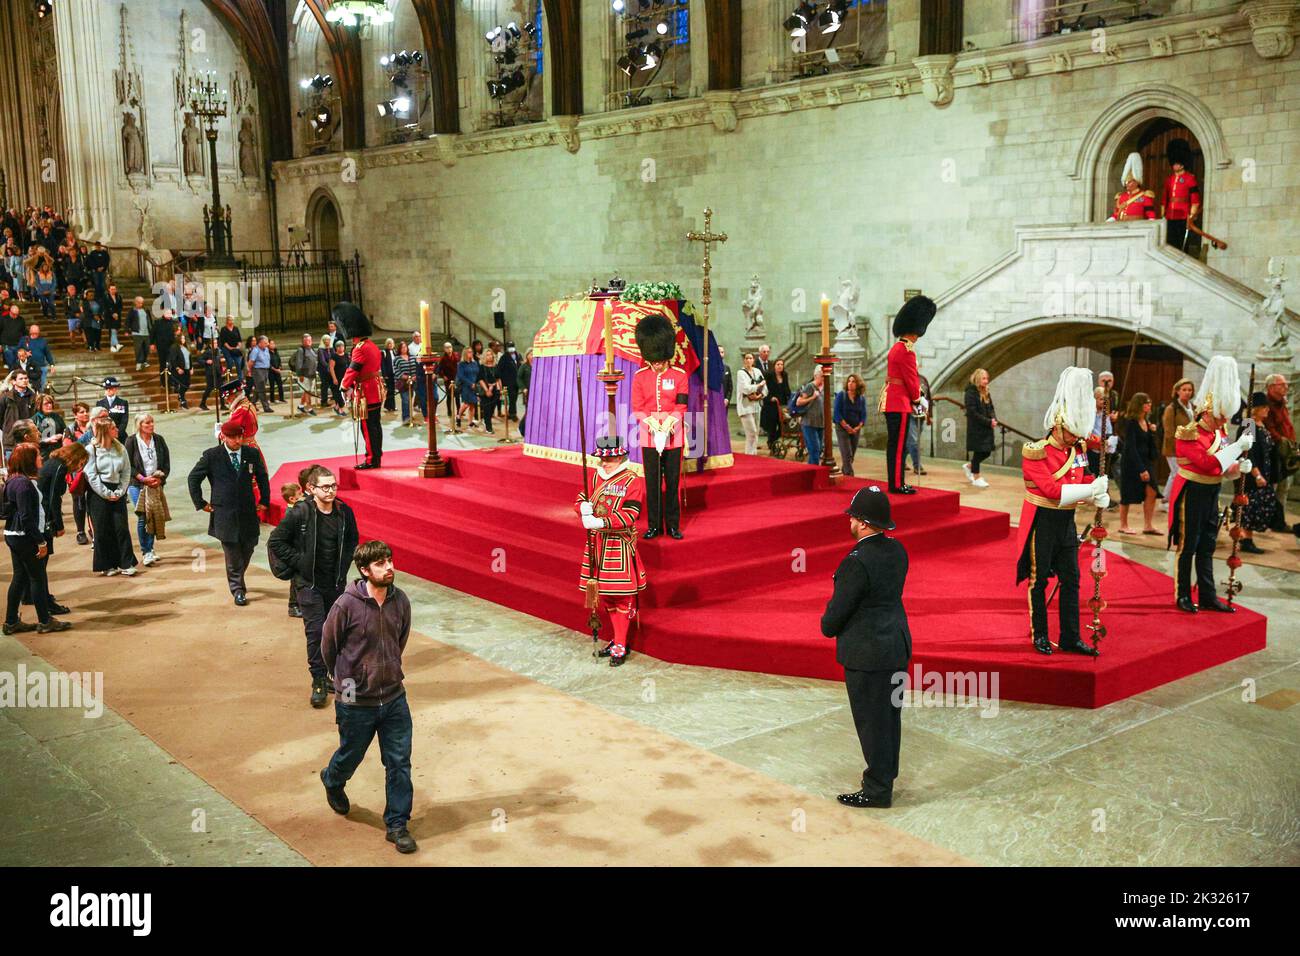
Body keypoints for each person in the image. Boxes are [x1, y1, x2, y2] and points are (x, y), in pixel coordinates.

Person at [319, 540, 417, 855]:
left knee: (399, 762)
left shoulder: (400, 600)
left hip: (393, 697)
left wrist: (385, 671)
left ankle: (397, 825)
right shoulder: (345, 605)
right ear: (365, 570)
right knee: (351, 754)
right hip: (354, 698)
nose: (389, 568)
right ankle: (333, 779)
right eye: (380, 563)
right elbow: (328, 646)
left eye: (390, 561)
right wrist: (348, 680)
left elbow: (399, 639)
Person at [820, 486, 909, 809]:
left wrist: (827, 625)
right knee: (889, 718)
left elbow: (836, 614)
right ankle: (885, 778)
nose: (850, 522)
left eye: (853, 517)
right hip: (896, 645)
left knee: (872, 722)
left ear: (862, 522)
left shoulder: (855, 562)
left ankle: (876, 789)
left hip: (868, 653)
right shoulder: (898, 551)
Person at [1017, 368, 1109, 656]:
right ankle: (1040, 635)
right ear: (1057, 425)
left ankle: (1070, 636)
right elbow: (1052, 491)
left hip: (1066, 522)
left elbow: (1080, 480)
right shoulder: (1037, 451)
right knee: (1039, 580)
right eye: (1071, 431)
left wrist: (1096, 491)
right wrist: (1091, 491)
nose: (1074, 438)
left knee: (1072, 580)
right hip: (1042, 521)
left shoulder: (1076, 449)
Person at [269, 465, 359, 708]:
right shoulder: (300, 513)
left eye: (333, 486)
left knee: (336, 632)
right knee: (316, 632)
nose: (330, 491)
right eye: (325, 486)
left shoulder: (344, 512)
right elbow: (276, 541)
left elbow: (352, 540)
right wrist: (301, 562)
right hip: (308, 584)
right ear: (311, 488)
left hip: (335, 583)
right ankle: (318, 680)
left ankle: (333, 675)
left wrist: (344, 567)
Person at [1168, 356, 1252, 613]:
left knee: (1207, 545)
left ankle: (1207, 594)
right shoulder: (1188, 433)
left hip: (1212, 491)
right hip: (1191, 491)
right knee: (1188, 545)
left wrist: (1239, 469)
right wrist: (1237, 448)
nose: (1222, 423)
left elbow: (1222, 468)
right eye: (1219, 417)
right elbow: (1207, 463)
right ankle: (1182, 594)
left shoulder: (1219, 431)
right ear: (1206, 412)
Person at [574, 434, 646, 666]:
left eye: (611, 459)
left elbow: (630, 515)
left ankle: (621, 644)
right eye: (602, 459)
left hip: (617, 544)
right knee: (605, 595)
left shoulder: (632, 480)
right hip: (597, 545)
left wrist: (601, 522)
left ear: (621, 456)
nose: (605, 463)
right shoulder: (595, 475)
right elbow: (582, 497)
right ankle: (616, 639)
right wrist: (582, 509)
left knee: (622, 597)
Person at [187, 421, 270, 606]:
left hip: (248, 510)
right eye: (234, 437)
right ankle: (238, 589)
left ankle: (238, 577)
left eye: (241, 436)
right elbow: (193, 478)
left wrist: (264, 500)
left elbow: (262, 477)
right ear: (224, 436)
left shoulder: (251, 453)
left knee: (249, 546)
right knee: (232, 552)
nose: (239, 440)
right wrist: (200, 503)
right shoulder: (212, 456)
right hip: (224, 512)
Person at [3, 444, 71, 634]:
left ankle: (11, 622)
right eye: (37, 456)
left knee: (20, 577)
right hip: (25, 537)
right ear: (29, 460)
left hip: (14, 535)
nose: (41, 458)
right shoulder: (24, 484)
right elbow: (26, 517)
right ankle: (45, 621)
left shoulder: (14, 480)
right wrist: (40, 541)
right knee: (37, 578)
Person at [632, 314, 687, 540]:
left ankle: (673, 525)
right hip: (649, 435)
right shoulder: (640, 377)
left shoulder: (679, 375)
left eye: (660, 361)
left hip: (674, 435)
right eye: (653, 361)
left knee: (672, 483)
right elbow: (637, 407)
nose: (656, 365)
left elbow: (681, 405)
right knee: (653, 483)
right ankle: (654, 525)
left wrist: (667, 426)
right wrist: (653, 424)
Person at [882, 296, 936, 495]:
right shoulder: (907, 351)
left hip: (892, 400)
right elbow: (911, 380)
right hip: (900, 402)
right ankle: (897, 484)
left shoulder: (896, 348)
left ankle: (896, 482)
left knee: (895, 445)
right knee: (898, 447)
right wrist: (919, 399)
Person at [35, 441, 85, 616]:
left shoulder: (52, 462)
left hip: (39, 513)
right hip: (43, 518)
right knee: (42, 562)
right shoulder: (59, 468)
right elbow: (53, 498)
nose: (81, 466)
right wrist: (58, 525)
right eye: (81, 462)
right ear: (75, 458)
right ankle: (45, 601)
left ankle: (29, 595)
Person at [85, 416, 139, 577]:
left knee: (121, 528)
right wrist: (107, 494)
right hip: (98, 492)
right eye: (113, 428)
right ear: (104, 431)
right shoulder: (91, 450)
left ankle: (126, 562)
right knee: (102, 529)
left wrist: (121, 491)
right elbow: (91, 475)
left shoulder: (120, 447)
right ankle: (107, 565)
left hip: (118, 490)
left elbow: (126, 471)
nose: (117, 430)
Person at [335, 302, 385, 469]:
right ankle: (377, 455)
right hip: (375, 389)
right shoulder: (372, 346)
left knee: (368, 427)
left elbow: (353, 370)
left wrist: (343, 386)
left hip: (366, 392)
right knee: (375, 425)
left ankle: (372, 458)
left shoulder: (360, 348)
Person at [124, 413, 171, 566]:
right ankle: (146, 551)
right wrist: (142, 478)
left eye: (152, 422)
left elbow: (166, 462)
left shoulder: (159, 439)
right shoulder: (131, 441)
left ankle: (150, 548)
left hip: (155, 483)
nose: (151, 425)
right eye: (147, 423)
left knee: (154, 515)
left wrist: (160, 478)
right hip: (137, 484)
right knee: (143, 516)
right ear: (139, 425)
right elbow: (127, 465)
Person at [1238, 391, 1281, 554]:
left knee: (1260, 506)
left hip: (1265, 472)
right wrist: (1257, 475)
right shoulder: (1249, 424)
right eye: (1264, 408)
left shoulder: (1261, 424)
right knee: (1251, 507)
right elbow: (1248, 453)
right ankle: (1246, 539)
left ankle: (1246, 537)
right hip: (1252, 474)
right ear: (1255, 409)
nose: (1267, 411)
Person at [1118, 392, 1161, 535]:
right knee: (1127, 493)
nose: (1149, 405)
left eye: (1150, 402)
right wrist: (1141, 469)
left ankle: (1148, 525)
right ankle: (1123, 525)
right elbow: (1130, 448)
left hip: (1145, 461)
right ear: (1139, 405)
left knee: (1152, 491)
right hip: (1132, 462)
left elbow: (1150, 446)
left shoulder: (1147, 423)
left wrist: (1153, 433)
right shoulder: (1131, 423)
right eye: (1146, 402)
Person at [1260, 373, 1295, 533]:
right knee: (1274, 487)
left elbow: (1287, 425)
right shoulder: (1266, 405)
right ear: (1271, 387)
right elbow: (1270, 429)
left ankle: (1277, 520)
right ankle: (1271, 520)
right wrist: (1283, 442)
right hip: (1274, 452)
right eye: (1282, 384)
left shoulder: (1282, 403)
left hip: (1286, 451)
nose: (1286, 387)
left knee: (1284, 487)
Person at [1161, 137, 1201, 254]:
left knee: (1181, 244)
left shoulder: (1190, 178)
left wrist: (1192, 215)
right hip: (1170, 215)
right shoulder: (1170, 180)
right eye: (1173, 163)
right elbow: (1165, 199)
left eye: (1176, 163)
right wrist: (1163, 214)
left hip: (1183, 215)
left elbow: (1195, 200)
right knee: (1170, 241)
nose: (1174, 165)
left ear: (1182, 164)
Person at [1161, 378, 1196, 503]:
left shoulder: (1193, 407)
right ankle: (1170, 500)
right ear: (1177, 391)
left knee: (1175, 474)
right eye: (1184, 390)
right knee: (1177, 473)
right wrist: (1181, 445)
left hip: (1190, 447)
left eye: (1190, 390)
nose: (1187, 392)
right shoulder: (1172, 408)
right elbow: (1169, 432)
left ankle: (1167, 498)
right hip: (1174, 448)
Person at [963, 368, 997, 489]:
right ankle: (976, 477)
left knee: (986, 451)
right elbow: (972, 412)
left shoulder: (986, 391)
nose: (986, 381)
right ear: (978, 379)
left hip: (986, 426)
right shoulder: (970, 392)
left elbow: (991, 407)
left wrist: (993, 418)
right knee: (979, 451)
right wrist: (988, 421)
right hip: (977, 427)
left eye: (987, 378)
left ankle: (970, 466)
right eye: (984, 378)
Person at [833, 373, 867, 477]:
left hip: (855, 429)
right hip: (842, 428)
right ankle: (850, 476)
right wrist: (846, 426)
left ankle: (845, 473)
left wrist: (858, 427)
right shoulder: (841, 396)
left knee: (851, 455)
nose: (850, 384)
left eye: (853, 381)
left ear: (858, 384)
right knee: (846, 453)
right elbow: (837, 413)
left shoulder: (861, 398)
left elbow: (863, 414)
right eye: (849, 381)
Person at [279, 482, 304, 618]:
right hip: (295, 553)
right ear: (292, 499)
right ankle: (293, 606)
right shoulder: (292, 514)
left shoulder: (294, 510)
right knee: (296, 581)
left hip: (297, 552)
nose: (303, 497)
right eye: (300, 495)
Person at [793, 364, 826, 466]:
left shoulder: (824, 387)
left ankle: (812, 470)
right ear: (816, 376)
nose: (824, 378)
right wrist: (812, 397)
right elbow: (799, 402)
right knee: (814, 449)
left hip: (820, 423)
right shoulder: (810, 386)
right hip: (809, 423)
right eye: (822, 376)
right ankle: (813, 473)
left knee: (819, 449)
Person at [735, 352, 767, 456]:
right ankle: (749, 455)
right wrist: (758, 386)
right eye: (747, 358)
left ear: (754, 360)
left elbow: (765, 387)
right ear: (744, 360)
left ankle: (753, 454)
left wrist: (760, 395)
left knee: (755, 433)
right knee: (751, 432)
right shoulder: (741, 373)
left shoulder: (757, 371)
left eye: (751, 358)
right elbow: (745, 388)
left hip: (757, 405)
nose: (749, 360)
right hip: (745, 407)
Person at [1112, 152, 1157, 221]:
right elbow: (1116, 214)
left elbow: (1151, 215)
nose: (1126, 184)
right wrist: (1111, 220)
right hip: (1121, 226)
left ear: (1136, 182)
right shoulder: (1121, 197)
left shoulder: (1145, 197)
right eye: (1126, 182)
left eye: (1129, 182)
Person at [0, 369, 37, 445]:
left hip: (29, 438)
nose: (24, 380)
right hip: (11, 439)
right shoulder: (5, 397)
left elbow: (37, 416)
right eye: (21, 379)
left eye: (26, 378)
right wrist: (8, 428)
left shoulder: (34, 397)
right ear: (13, 382)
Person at [761, 358, 790, 455]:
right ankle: (771, 443)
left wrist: (790, 398)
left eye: (781, 364)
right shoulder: (769, 375)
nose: (780, 366)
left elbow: (787, 388)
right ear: (774, 366)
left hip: (782, 404)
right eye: (778, 364)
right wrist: (769, 398)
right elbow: (764, 390)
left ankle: (773, 441)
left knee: (784, 424)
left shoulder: (784, 375)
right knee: (772, 426)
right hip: (771, 405)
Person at [905, 374, 932, 477]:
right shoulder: (906, 379)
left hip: (920, 414)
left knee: (910, 442)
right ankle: (917, 466)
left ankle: (901, 461)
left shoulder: (923, 379)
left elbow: (928, 397)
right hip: (909, 413)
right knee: (913, 441)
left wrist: (929, 415)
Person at [289, 333, 318, 416]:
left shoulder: (312, 349)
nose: (309, 342)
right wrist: (300, 374)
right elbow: (299, 363)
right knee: (307, 392)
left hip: (311, 374)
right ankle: (309, 408)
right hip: (304, 375)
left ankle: (301, 406)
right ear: (303, 342)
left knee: (307, 392)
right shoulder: (301, 350)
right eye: (307, 340)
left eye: (310, 340)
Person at [19, 324, 55, 392]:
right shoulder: (24, 340)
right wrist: (25, 353)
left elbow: (48, 354)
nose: (35, 334)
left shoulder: (43, 341)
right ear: (30, 332)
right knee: (28, 387)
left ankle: (39, 400)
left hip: (41, 367)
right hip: (28, 367)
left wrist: (52, 365)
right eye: (33, 333)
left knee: (41, 386)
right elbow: (18, 351)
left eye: (36, 333)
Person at [392, 342, 419, 425]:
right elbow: (396, 371)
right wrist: (406, 377)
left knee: (410, 399)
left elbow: (417, 368)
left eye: (405, 347)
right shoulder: (397, 359)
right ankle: (406, 418)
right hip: (403, 383)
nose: (404, 349)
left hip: (413, 381)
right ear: (399, 349)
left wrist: (415, 376)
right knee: (405, 400)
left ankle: (410, 415)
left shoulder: (413, 357)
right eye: (402, 347)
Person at [33, 394, 67, 458]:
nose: (49, 405)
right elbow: (32, 440)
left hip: (58, 450)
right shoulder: (34, 420)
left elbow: (65, 431)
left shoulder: (57, 417)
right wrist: (47, 440)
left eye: (50, 403)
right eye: (46, 404)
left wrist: (61, 435)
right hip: (43, 453)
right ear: (39, 406)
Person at [477, 347, 501, 434]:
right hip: (485, 389)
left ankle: (486, 420)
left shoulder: (496, 366)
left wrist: (500, 389)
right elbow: (480, 379)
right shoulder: (482, 367)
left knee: (492, 408)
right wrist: (487, 390)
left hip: (495, 389)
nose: (489, 356)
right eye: (487, 355)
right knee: (487, 408)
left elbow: (498, 378)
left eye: (491, 354)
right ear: (484, 357)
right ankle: (488, 427)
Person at [455, 346, 479, 427]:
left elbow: (477, 373)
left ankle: (470, 422)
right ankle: (458, 416)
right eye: (469, 352)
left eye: (471, 352)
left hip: (474, 386)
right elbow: (461, 376)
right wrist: (470, 383)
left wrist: (476, 383)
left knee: (473, 404)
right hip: (466, 386)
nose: (471, 353)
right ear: (465, 353)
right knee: (466, 404)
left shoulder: (474, 363)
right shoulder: (461, 364)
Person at [168, 333, 193, 409]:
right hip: (180, 369)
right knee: (182, 385)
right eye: (182, 338)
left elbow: (189, 358)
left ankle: (180, 396)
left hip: (187, 369)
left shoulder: (185, 347)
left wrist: (191, 367)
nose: (183, 340)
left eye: (184, 338)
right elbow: (173, 359)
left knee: (187, 384)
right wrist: (177, 368)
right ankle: (183, 400)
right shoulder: (174, 347)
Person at [127, 295, 152, 370]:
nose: (141, 304)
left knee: (146, 348)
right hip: (137, 333)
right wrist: (127, 330)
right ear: (136, 303)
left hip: (146, 333)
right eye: (139, 303)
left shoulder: (146, 310)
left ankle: (144, 361)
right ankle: (138, 362)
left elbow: (149, 320)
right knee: (138, 349)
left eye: (142, 303)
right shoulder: (132, 311)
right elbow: (128, 321)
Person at [498, 341, 520, 421]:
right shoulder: (504, 357)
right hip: (508, 381)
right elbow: (500, 370)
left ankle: (511, 412)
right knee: (512, 397)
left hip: (516, 381)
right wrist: (503, 382)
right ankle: (513, 414)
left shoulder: (517, 355)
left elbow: (519, 366)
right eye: (509, 346)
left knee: (515, 398)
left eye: (512, 346)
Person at [218, 316, 244, 381]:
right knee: (230, 362)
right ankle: (228, 377)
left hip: (235, 349)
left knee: (238, 363)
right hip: (227, 349)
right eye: (230, 320)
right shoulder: (223, 329)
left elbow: (239, 340)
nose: (231, 321)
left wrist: (238, 347)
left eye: (232, 320)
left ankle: (240, 380)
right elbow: (223, 341)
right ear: (227, 321)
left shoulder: (236, 328)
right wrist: (230, 348)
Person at [380, 338, 397, 412]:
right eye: (389, 343)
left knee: (392, 390)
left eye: (391, 343)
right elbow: (382, 364)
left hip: (394, 374)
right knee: (390, 390)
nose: (390, 345)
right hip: (388, 374)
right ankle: (389, 406)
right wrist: (384, 375)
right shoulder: (384, 352)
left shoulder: (394, 352)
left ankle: (391, 406)